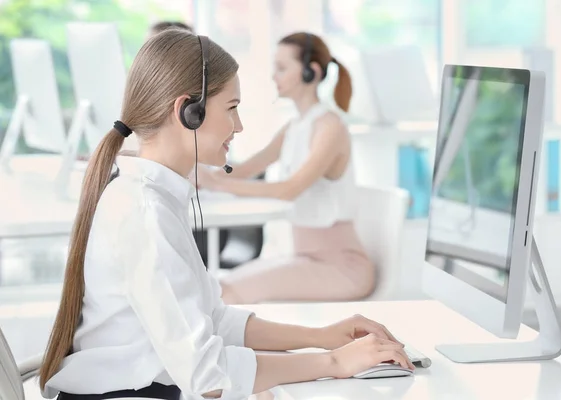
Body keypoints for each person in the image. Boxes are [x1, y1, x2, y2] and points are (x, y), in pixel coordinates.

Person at [38, 29, 412, 400]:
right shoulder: (146, 211)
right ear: (189, 111)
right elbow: (208, 375)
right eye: (232, 108)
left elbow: (212, 320)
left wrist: (319, 337)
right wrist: (332, 363)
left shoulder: (154, 198)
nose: (239, 126)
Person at [194, 32, 376, 305]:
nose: (273, 76)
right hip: (306, 261)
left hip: (341, 269)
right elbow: (249, 167)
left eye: (281, 68)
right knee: (217, 285)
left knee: (225, 291)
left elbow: (290, 189)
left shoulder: (330, 127)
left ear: (309, 72)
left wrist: (217, 184)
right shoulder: (295, 127)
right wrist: (200, 173)